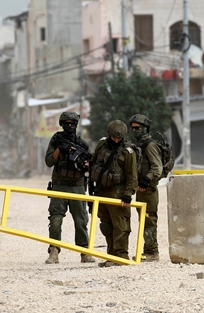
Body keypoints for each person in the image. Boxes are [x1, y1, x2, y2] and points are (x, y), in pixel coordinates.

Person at [43, 111, 94, 264]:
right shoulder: (56, 140)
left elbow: (89, 165)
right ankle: (54, 251)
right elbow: (49, 161)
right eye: (67, 123)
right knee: (56, 219)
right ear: (62, 124)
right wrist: (60, 149)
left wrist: (86, 164)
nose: (69, 126)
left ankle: (84, 252)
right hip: (59, 186)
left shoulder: (82, 144)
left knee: (81, 221)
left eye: (72, 123)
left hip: (77, 186)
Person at [89, 120, 138, 267]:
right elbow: (94, 162)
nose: (116, 140)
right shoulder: (101, 145)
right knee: (106, 225)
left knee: (121, 226)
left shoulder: (128, 152)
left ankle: (121, 256)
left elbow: (132, 176)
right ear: (109, 135)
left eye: (119, 138)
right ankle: (111, 255)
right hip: (101, 192)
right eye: (114, 138)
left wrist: (128, 194)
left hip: (118, 193)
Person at [129, 114, 163, 262]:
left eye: (138, 128)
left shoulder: (149, 145)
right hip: (141, 189)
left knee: (149, 220)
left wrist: (146, 180)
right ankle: (149, 250)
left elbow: (157, 168)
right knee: (144, 220)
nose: (135, 130)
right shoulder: (138, 145)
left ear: (145, 128)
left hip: (148, 189)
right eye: (133, 128)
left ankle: (152, 252)